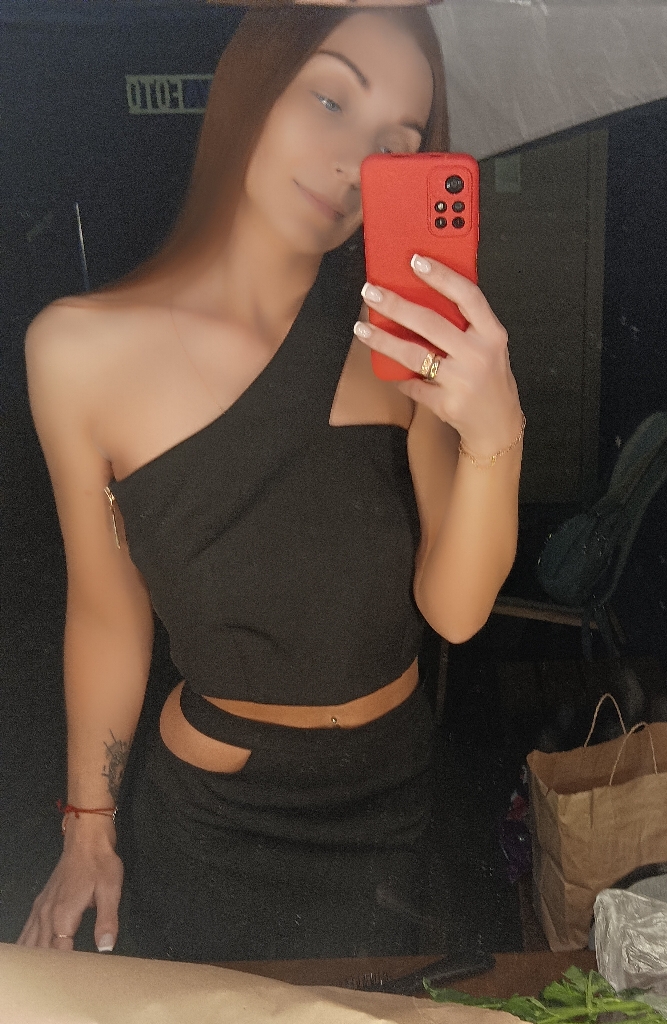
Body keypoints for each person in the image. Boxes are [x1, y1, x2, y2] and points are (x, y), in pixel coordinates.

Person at [18, 3, 524, 962]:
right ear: (249, 87)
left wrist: (498, 429)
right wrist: (88, 826)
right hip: (217, 825)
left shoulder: (399, 340)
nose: (354, 163)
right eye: (330, 99)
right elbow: (108, 608)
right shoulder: (78, 351)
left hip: (399, 802)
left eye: (395, 143)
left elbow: (455, 612)